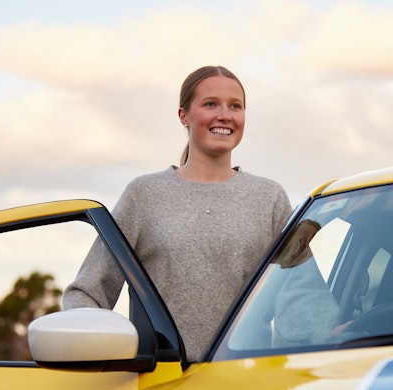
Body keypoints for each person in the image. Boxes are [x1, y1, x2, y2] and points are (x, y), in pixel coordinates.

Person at [63, 65, 293, 362]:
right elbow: (87, 292)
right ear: (184, 115)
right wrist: (103, 354)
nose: (225, 115)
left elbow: (302, 298)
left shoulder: (270, 198)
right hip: (160, 387)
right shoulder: (143, 195)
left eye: (235, 106)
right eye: (211, 104)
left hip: (247, 386)